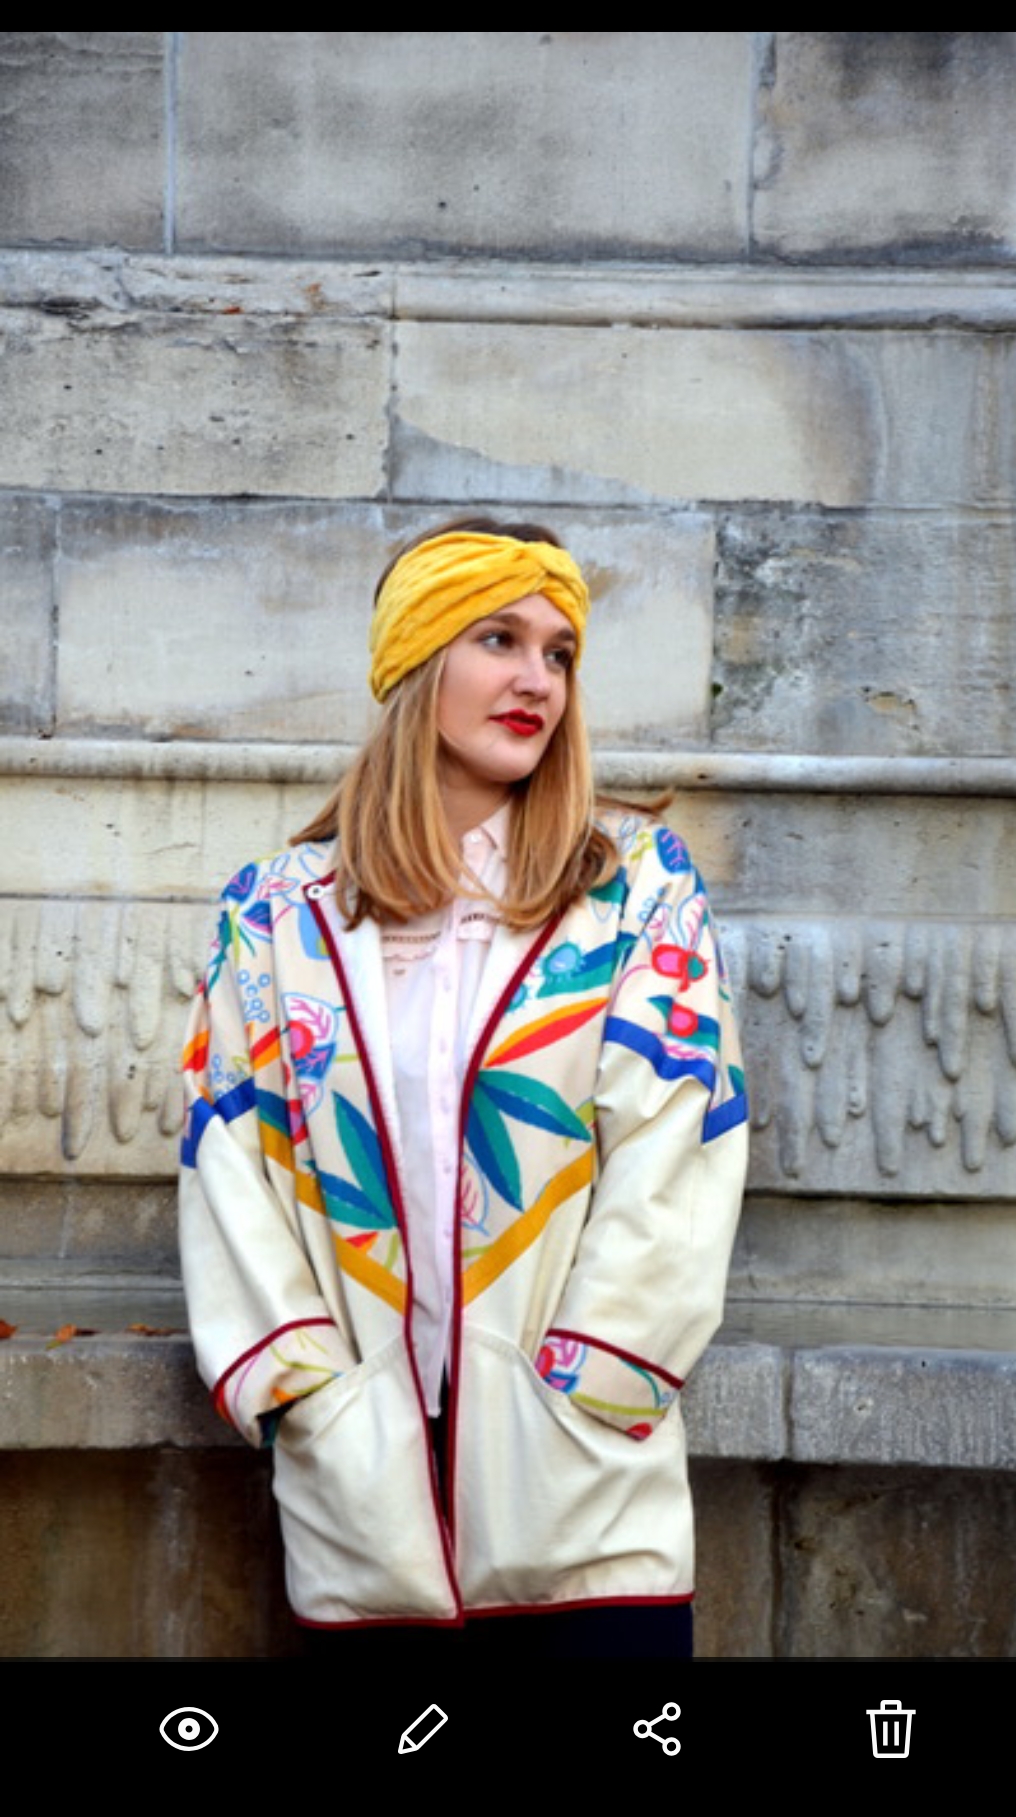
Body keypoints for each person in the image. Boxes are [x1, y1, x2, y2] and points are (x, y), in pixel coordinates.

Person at [178, 516, 749, 1657]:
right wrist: (306, 1398)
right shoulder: (275, 915)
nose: (538, 680)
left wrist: (596, 1382)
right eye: (499, 640)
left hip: (585, 1508)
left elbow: (679, 1140)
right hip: (363, 1512)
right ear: (414, 659)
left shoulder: (634, 890)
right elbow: (230, 1162)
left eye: (559, 653)